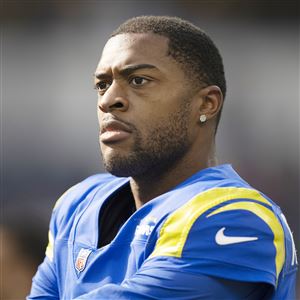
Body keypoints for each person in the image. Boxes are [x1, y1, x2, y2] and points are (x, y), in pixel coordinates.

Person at [28, 16, 297, 299]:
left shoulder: (236, 218)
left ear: (206, 103)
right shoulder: (77, 204)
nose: (108, 100)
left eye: (139, 80)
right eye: (102, 84)